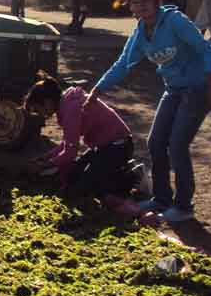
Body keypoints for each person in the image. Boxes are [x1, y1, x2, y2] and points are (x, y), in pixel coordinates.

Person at [85, 0, 211, 223]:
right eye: (136, 2)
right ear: (131, 8)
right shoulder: (140, 33)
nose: (141, 6)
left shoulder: (175, 22)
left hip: (196, 88)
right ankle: (161, 198)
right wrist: (98, 89)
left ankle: (183, 206)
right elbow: (123, 64)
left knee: (178, 145)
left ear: (156, 2)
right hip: (174, 89)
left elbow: (206, 48)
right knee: (156, 142)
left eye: (146, 1)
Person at [25, 71, 141, 201]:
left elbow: (70, 153)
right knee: (71, 177)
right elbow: (66, 143)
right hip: (103, 147)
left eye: (37, 109)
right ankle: (115, 173)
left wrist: (44, 165)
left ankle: (133, 176)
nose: (40, 114)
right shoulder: (66, 104)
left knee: (84, 190)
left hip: (118, 147)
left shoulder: (70, 110)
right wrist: (45, 158)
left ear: (47, 102)